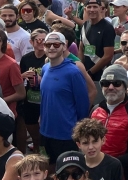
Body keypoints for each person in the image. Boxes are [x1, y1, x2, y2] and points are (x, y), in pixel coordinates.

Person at [38, 32, 91, 166]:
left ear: (64, 47)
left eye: (56, 44)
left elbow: (83, 105)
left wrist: (79, 132)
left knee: (67, 173)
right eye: (48, 44)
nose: (51, 48)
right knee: (48, 170)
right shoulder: (44, 68)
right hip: (45, 131)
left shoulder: (73, 72)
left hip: (66, 134)